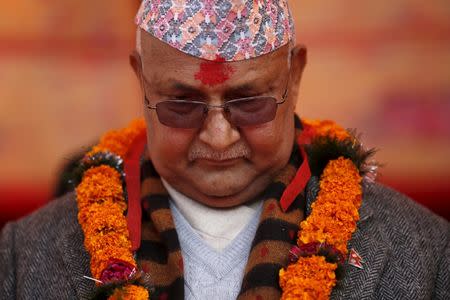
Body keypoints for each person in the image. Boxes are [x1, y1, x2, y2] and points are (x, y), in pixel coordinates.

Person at [1, 1, 449, 299]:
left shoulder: (425, 250)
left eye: (249, 103)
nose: (218, 137)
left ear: (294, 77)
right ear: (141, 79)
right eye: (181, 105)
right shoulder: (24, 255)